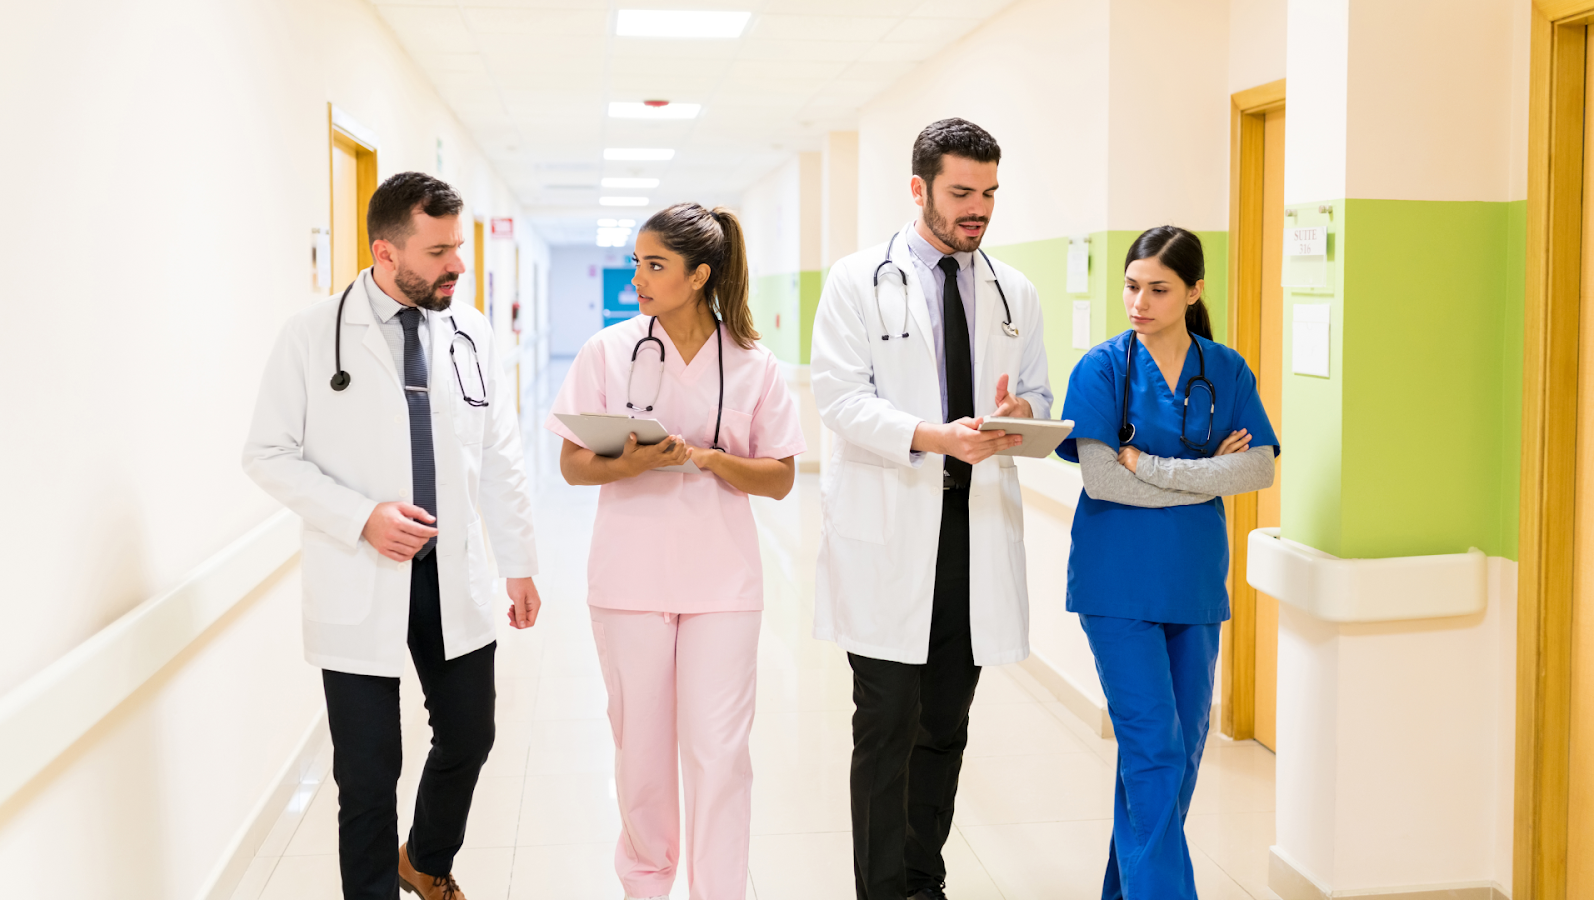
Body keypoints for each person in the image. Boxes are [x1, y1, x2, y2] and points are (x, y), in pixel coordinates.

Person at [243, 172, 541, 900]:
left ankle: (427, 859)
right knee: (368, 774)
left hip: (452, 572)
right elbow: (266, 454)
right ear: (385, 251)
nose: (458, 265)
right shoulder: (313, 336)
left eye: (459, 247)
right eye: (440, 250)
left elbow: (497, 454)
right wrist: (360, 517)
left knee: (470, 736)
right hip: (361, 571)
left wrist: (519, 562)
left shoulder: (469, 331)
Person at [808, 118, 1053, 900]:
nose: (978, 209)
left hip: (972, 538)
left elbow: (1039, 396)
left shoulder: (1015, 291)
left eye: (988, 193)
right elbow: (840, 398)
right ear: (919, 190)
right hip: (889, 532)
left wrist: (1019, 415)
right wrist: (930, 436)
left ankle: (922, 881)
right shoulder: (857, 279)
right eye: (961, 193)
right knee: (885, 728)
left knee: (944, 726)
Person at [546, 202, 806, 900]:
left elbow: (780, 476)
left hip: (723, 585)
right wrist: (631, 465)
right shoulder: (610, 351)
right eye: (637, 262)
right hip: (629, 581)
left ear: (698, 275)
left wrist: (711, 459)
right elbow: (572, 464)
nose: (638, 278)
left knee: (720, 756)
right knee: (643, 757)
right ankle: (645, 886)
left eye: (654, 265)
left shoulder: (753, 364)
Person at [1057, 225, 1278, 900]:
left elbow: (1258, 469)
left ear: (1193, 292)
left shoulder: (1225, 368)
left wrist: (1155, 467)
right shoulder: (1103, 368)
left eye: (1157, 289)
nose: (1139, 302)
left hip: (1192, 582)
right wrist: (1205, 472)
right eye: (1131, 286)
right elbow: (1102, 479)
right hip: (1116, 582)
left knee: (1181, 752)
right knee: (1153, 747)